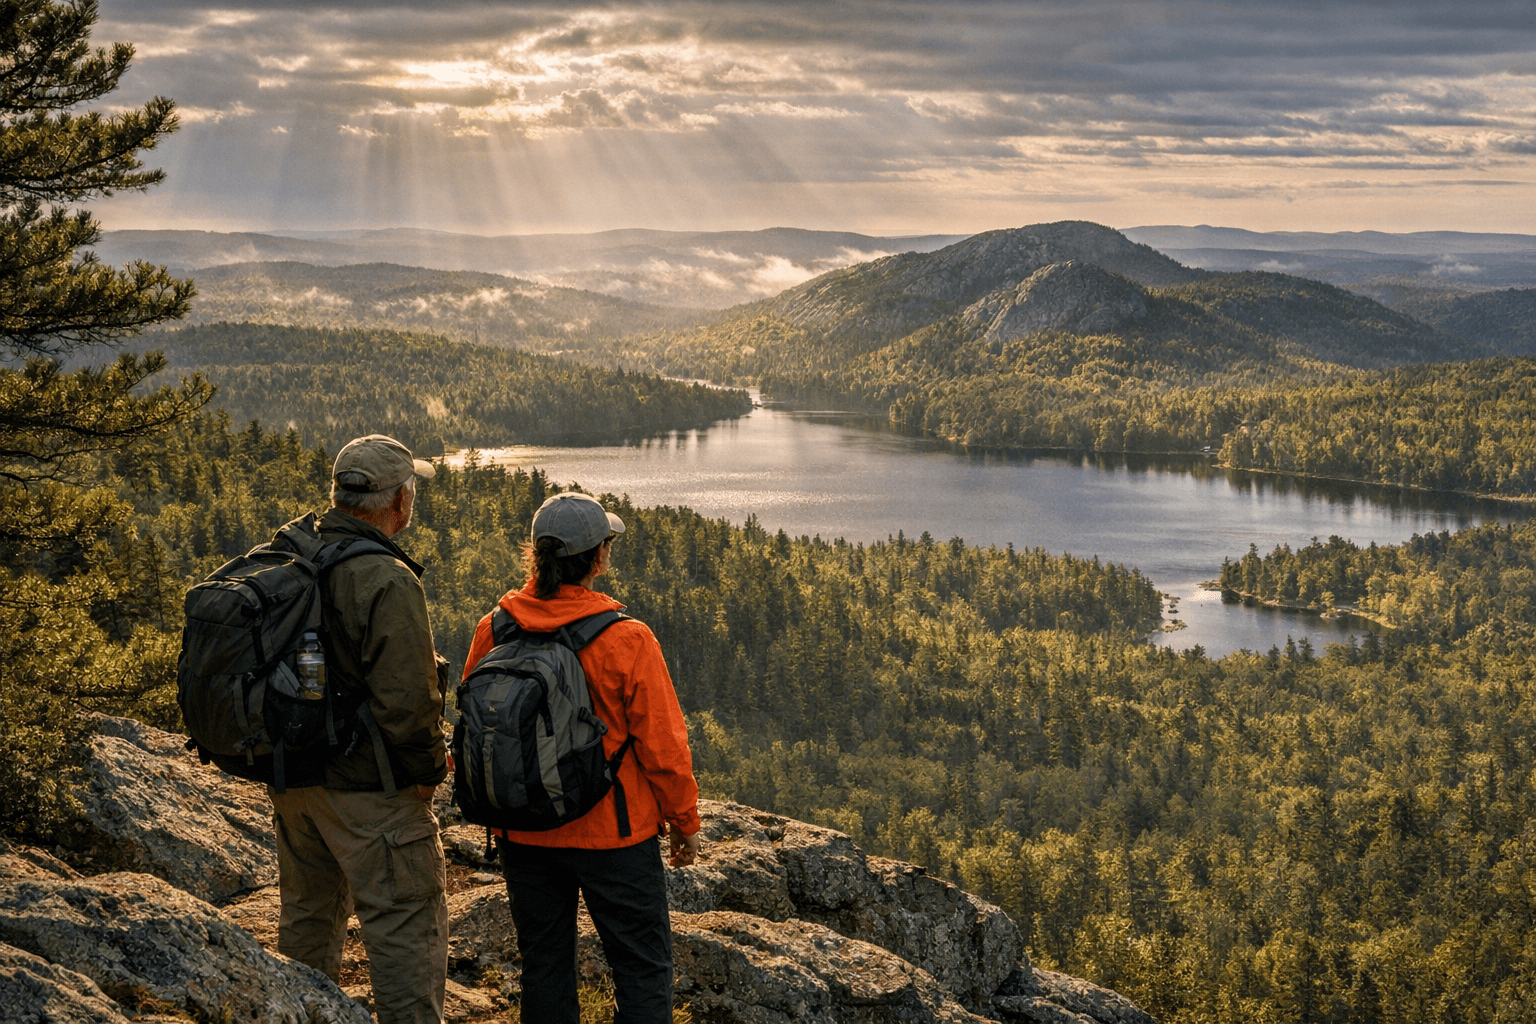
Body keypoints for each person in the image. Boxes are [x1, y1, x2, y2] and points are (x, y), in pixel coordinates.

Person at [462, 491, 702, 1024]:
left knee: (544, 963)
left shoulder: (495, 628)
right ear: (597, 559)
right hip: (613, 834)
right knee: (641, 966)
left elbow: (476, 729)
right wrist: (684, 821)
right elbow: (663, 745)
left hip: (523, 829)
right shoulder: (626, 638)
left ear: (537, 555)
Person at [269, 434, 450, 1024]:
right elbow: (407, 702)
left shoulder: (293, 551)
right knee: (403, 924)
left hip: (294, 777)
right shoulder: (386, 578)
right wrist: (426, 773)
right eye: (411, 490)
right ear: (398, 501)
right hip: (366, 789)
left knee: (308, 916)